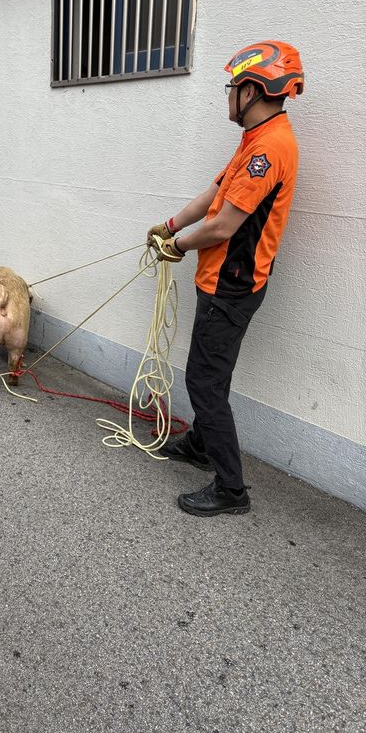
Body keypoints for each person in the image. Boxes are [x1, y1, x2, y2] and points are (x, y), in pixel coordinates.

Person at [147, 41, 304, 518]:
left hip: (232, 286)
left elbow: (222, 226)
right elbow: (213, 195)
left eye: (232, 88)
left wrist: (179, 245)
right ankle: (200, 444)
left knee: (204, 381)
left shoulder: (269, 149)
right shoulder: (256, 138)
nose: (229, 96)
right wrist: (169, 226)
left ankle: (231, 490)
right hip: (220, 280)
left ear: (252, 90)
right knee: (211, 374)